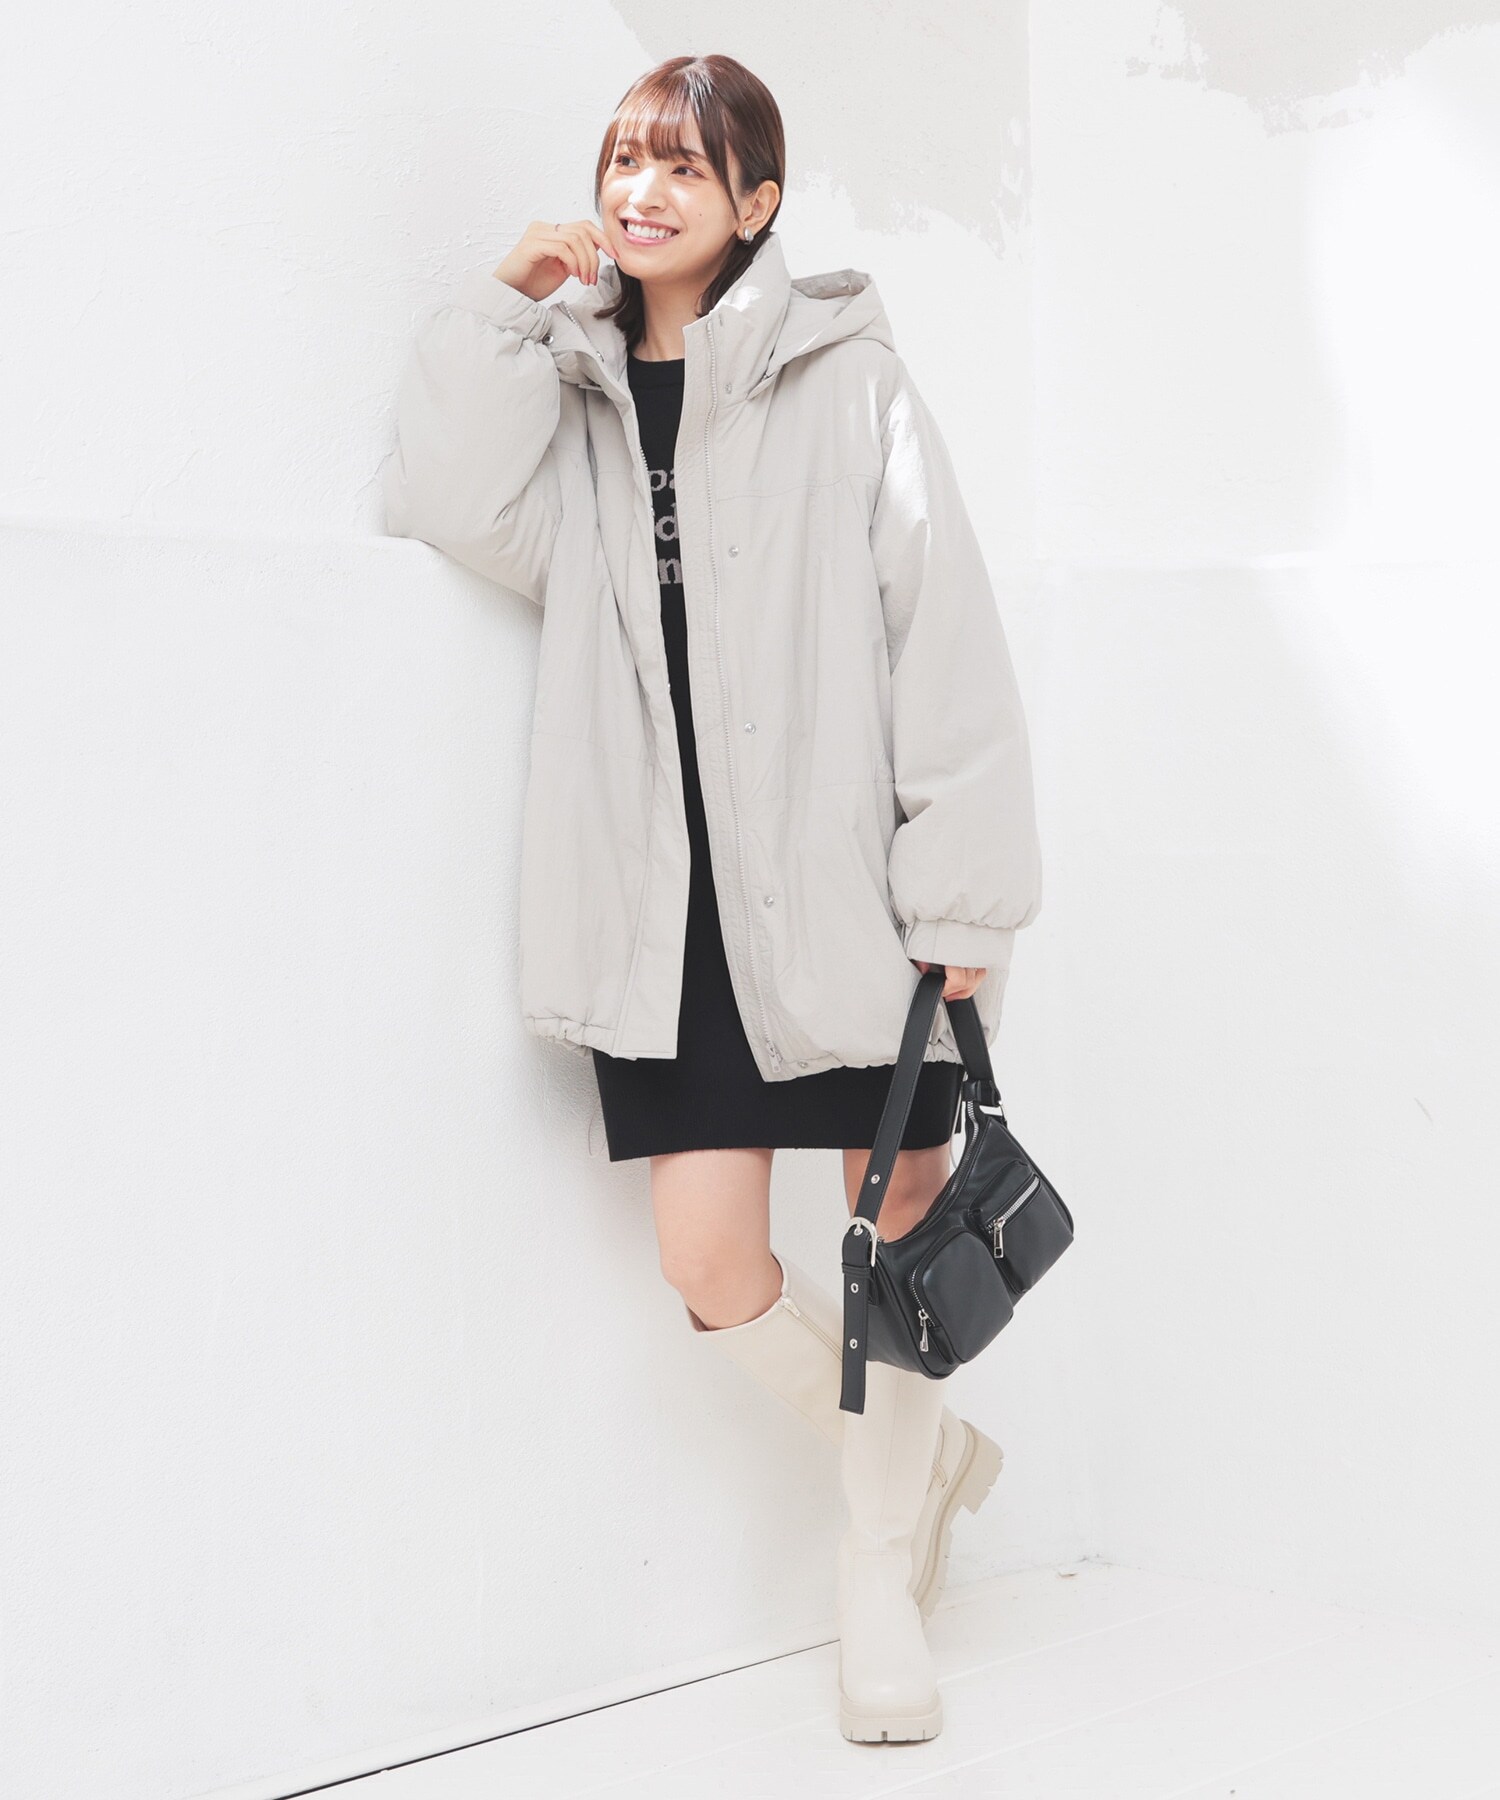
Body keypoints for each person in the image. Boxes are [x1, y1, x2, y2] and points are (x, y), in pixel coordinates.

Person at [380, 53, 1042, 1744]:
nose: (643, 189)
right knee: (708, 1261)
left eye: (685, 164)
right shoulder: (585, 393)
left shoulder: (850, 379)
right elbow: (449, 500)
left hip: (844, 892)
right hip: (667, 910)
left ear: (758, 202)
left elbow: (942, 630)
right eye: (625, 158)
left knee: (899, 1233)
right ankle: (913, 1471)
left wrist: (961, 895)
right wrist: (506, 310)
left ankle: (873, 1582)